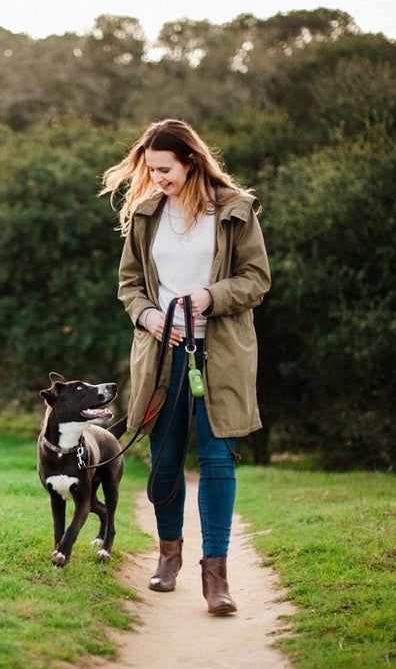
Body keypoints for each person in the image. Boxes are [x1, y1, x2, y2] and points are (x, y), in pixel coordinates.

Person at [100, 119, 271, 615]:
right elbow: (129, 285)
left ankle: (215, 575)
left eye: (165, 169)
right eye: (150, 170)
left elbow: (257, 280)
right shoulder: (146, 213)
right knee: (166, 460)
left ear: (191, 160)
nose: (156, 179)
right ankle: (168, 556)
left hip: (223, 354)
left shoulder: (235, 211)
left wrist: (210, 296)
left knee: (218, 461)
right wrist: (150, 315)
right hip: (161, 355)